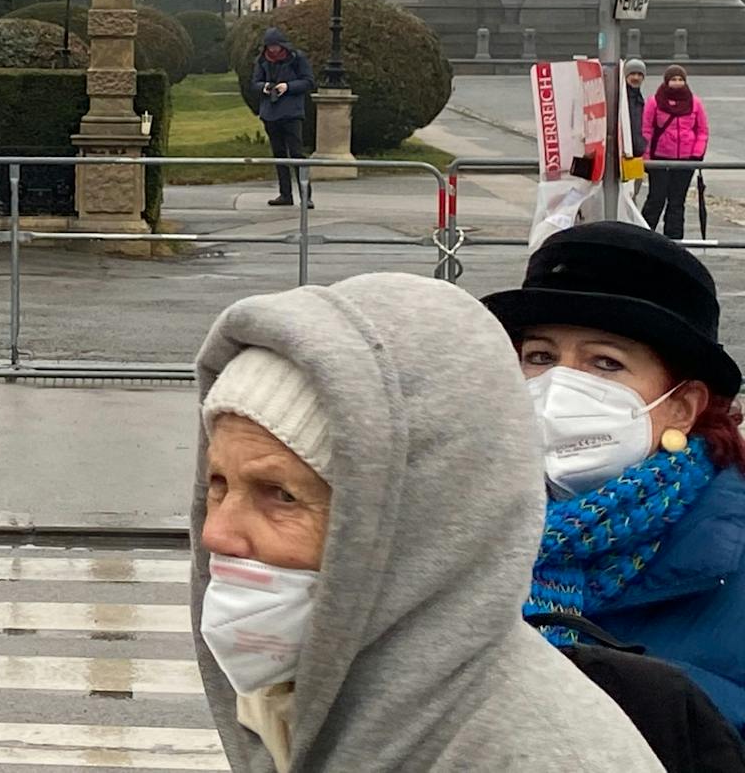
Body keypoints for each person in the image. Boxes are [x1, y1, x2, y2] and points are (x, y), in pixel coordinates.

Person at [190, 273, 662, 771]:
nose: (216, 532)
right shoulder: (304, 708)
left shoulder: (542, 754)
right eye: (217, 484)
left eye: (281, 496)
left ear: (418, 522)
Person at [484, 223, 745, 732]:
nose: (560, 386)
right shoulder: (456, 526)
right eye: (539, 357)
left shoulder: (727, 553)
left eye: (606, 363)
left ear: (681, 408)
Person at [642, 64, 709, 239]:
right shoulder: (654, 102)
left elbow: (702, 130)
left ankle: (674, 240)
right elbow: (646, 130)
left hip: (685, 159)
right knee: (656, 199)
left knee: (677, 202)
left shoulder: (695, 102)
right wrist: (646, 156)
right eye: (673, 79)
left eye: (680, 79)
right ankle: (644, 235)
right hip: (659, 158)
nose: (677, 83)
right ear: (666, 81)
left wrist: (697, 154)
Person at [251, 28, 315, 209]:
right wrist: (265, 87)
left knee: (296, 154)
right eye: (270, 47)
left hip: (292, 113)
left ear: (282, 45)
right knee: (279, 155)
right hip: (270, 114)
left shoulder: (297, 59)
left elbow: (308, 81)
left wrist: (287, 87)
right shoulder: (262, 60)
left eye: (276, 46)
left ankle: (306, 195)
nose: (273, 50)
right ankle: (285, 194)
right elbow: (254, 83)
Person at [625, 57, 648, 200]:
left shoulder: (639, 99)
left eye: (639, 75)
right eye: (632, 74)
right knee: (626, 193)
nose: (636, 77)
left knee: (633, 193)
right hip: (625, 153)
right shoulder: (620, 98)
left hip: (637, 154)